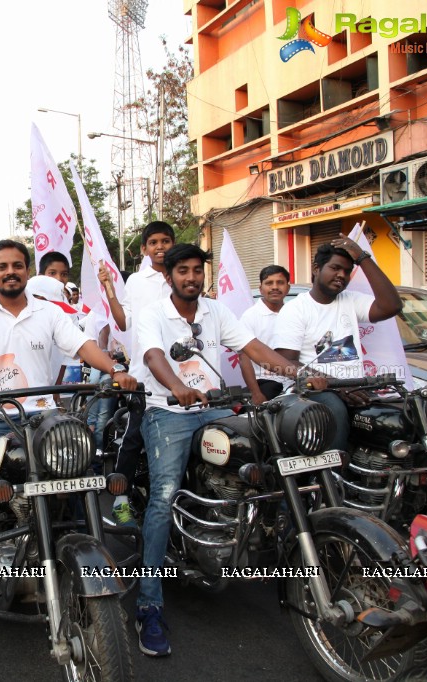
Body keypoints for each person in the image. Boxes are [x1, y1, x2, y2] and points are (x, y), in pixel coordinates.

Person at [0, 238, 137, 647]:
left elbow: (83, 346)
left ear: (26, 271)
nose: (10, 272)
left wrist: (114, 369)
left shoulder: (49, 313)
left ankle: (90, 576)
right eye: (1, 266)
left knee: (81, 480)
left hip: (45, 417)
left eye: (17, 265)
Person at [132, 243, 307, 657]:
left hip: (213, 409)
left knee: (269, 464)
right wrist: (176, 388)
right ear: (170, 275)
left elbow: (254, 349)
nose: (191, 278)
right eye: (183, 271)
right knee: (162, 497)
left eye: (197, 271)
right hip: (168, 412)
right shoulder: (153, 314)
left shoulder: (216, 312)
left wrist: (301, 372)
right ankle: (148, 604)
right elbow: (154, 355)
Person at [273, 237, 403, 451]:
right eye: (335, 268)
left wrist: (362, 258)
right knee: (334, 410)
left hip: (357, 387)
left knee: (394, 415)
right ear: (316, 269)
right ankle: (333, 476)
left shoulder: (351, 300)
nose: (342, 275)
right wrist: (339, 387)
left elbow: (391, 305)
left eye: (347, 270)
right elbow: (286, 361)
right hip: (313, 390)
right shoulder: (296, 309)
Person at [99, 220, 175, 527]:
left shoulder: (181, 276)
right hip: (145, 375)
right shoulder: (137, 282)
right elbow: (123, 322)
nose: (160, 247)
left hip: (184, 374)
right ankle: (120, 498)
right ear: (144, 249)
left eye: (166, 241)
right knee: (134, 437)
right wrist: (109, 289)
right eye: (153, 242)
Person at [239, 265, 294, 404]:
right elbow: (244, 358)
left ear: (288, 288)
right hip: (265, 385)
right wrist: (255, 393)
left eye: (280, 282)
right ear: (261, 288)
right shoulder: (250, 316)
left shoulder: (295, 314)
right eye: (269, 283)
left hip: (295, 384)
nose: (275, 287)